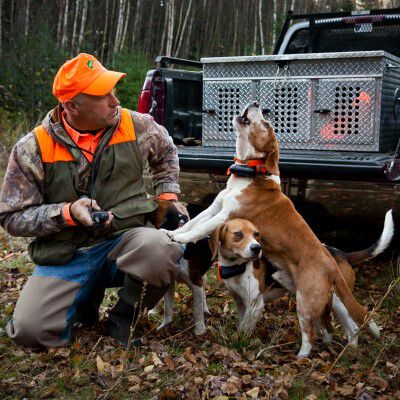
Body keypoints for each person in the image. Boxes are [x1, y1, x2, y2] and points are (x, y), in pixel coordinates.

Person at [0, 53, 187, 347]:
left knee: (165, 245)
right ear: (72, 106)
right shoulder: (33, 147)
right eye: (103, 95)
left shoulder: (136, 125)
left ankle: (124, 319)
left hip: (125, 242)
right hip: (67, 254)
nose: (115, 100)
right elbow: (11, 217)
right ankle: (82, 302)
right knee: (30, 333)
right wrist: (66, 213)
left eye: (113, 91)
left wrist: (167, 195)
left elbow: (166, 152)